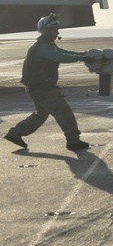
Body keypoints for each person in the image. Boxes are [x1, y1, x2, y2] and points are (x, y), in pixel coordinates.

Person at [4, 13, 92, 151]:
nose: (57, 32)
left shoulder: (46, 44)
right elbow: (60, 56)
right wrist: (82, 57)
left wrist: (84, 55)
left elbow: (64, 52)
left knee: (40, 115)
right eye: (55, 30)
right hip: (42, 89)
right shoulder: (43, 47)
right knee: (64, 112)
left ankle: (14, 134)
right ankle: (73, 141)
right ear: (45, 31)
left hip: (36, 88)